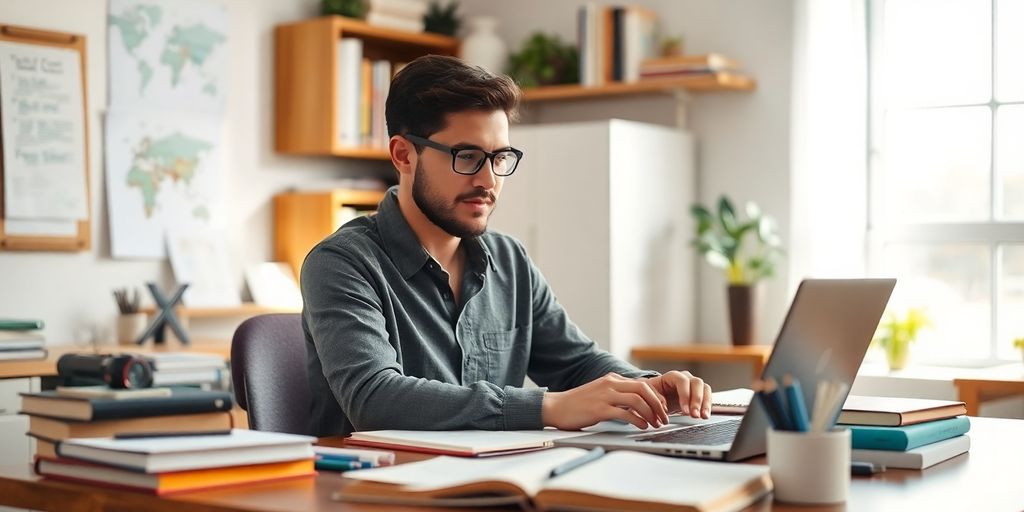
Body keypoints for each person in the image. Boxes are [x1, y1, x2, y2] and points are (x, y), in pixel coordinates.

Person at [302, 55, 713, 437]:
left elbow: (577, 363)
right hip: (373, 488)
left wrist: (646, 387)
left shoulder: (508, 259)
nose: (488, 180)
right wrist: (547, 408)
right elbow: (375, 399)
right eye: (467, 156)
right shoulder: (341, 264)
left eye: (500, 158)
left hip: (493, 478)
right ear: (404, 154)